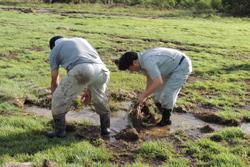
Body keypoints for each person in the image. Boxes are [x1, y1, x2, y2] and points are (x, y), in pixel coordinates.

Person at [47, 36, 111, 138]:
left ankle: (59, 131)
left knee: (58, 98)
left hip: (83, 70)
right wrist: (88, 91)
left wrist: (55, 97)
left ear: (53, 46)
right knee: (100, 99)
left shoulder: (55, 50)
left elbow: (55, 80)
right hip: (103, 71)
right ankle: (106, 129)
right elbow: (90, 65)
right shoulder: (81, 40)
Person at [115, 47, 192, 126]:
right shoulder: (142, 62)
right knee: (157, 92)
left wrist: (143, 95)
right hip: (169, 66)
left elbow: (158, 81)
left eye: (129, 68)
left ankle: (166, 120)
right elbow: (151, 79)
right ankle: (158, 113)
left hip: (181, 65)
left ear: (134, 62)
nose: (131, 71)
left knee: (168, 92)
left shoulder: (148, 61)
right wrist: (145, 95)